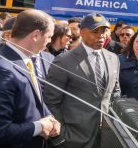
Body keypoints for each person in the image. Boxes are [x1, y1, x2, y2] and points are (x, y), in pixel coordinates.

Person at [45, 13, 121, 148]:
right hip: (73, 139)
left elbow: (115, 93)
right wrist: (61, 136)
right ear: (82, 32)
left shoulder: (113, 58)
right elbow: (51, 102)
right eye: (95, 31)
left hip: (105, 138)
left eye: (104, 31)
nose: (101, 35)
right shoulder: (64, 61)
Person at [0, 9, 60, 147]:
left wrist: (48, 116)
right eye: (49, 36)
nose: (49, 41)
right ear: (36, 35)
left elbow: (31, 100)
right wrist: (39, 127)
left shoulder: (24, 60)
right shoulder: (1, 70)